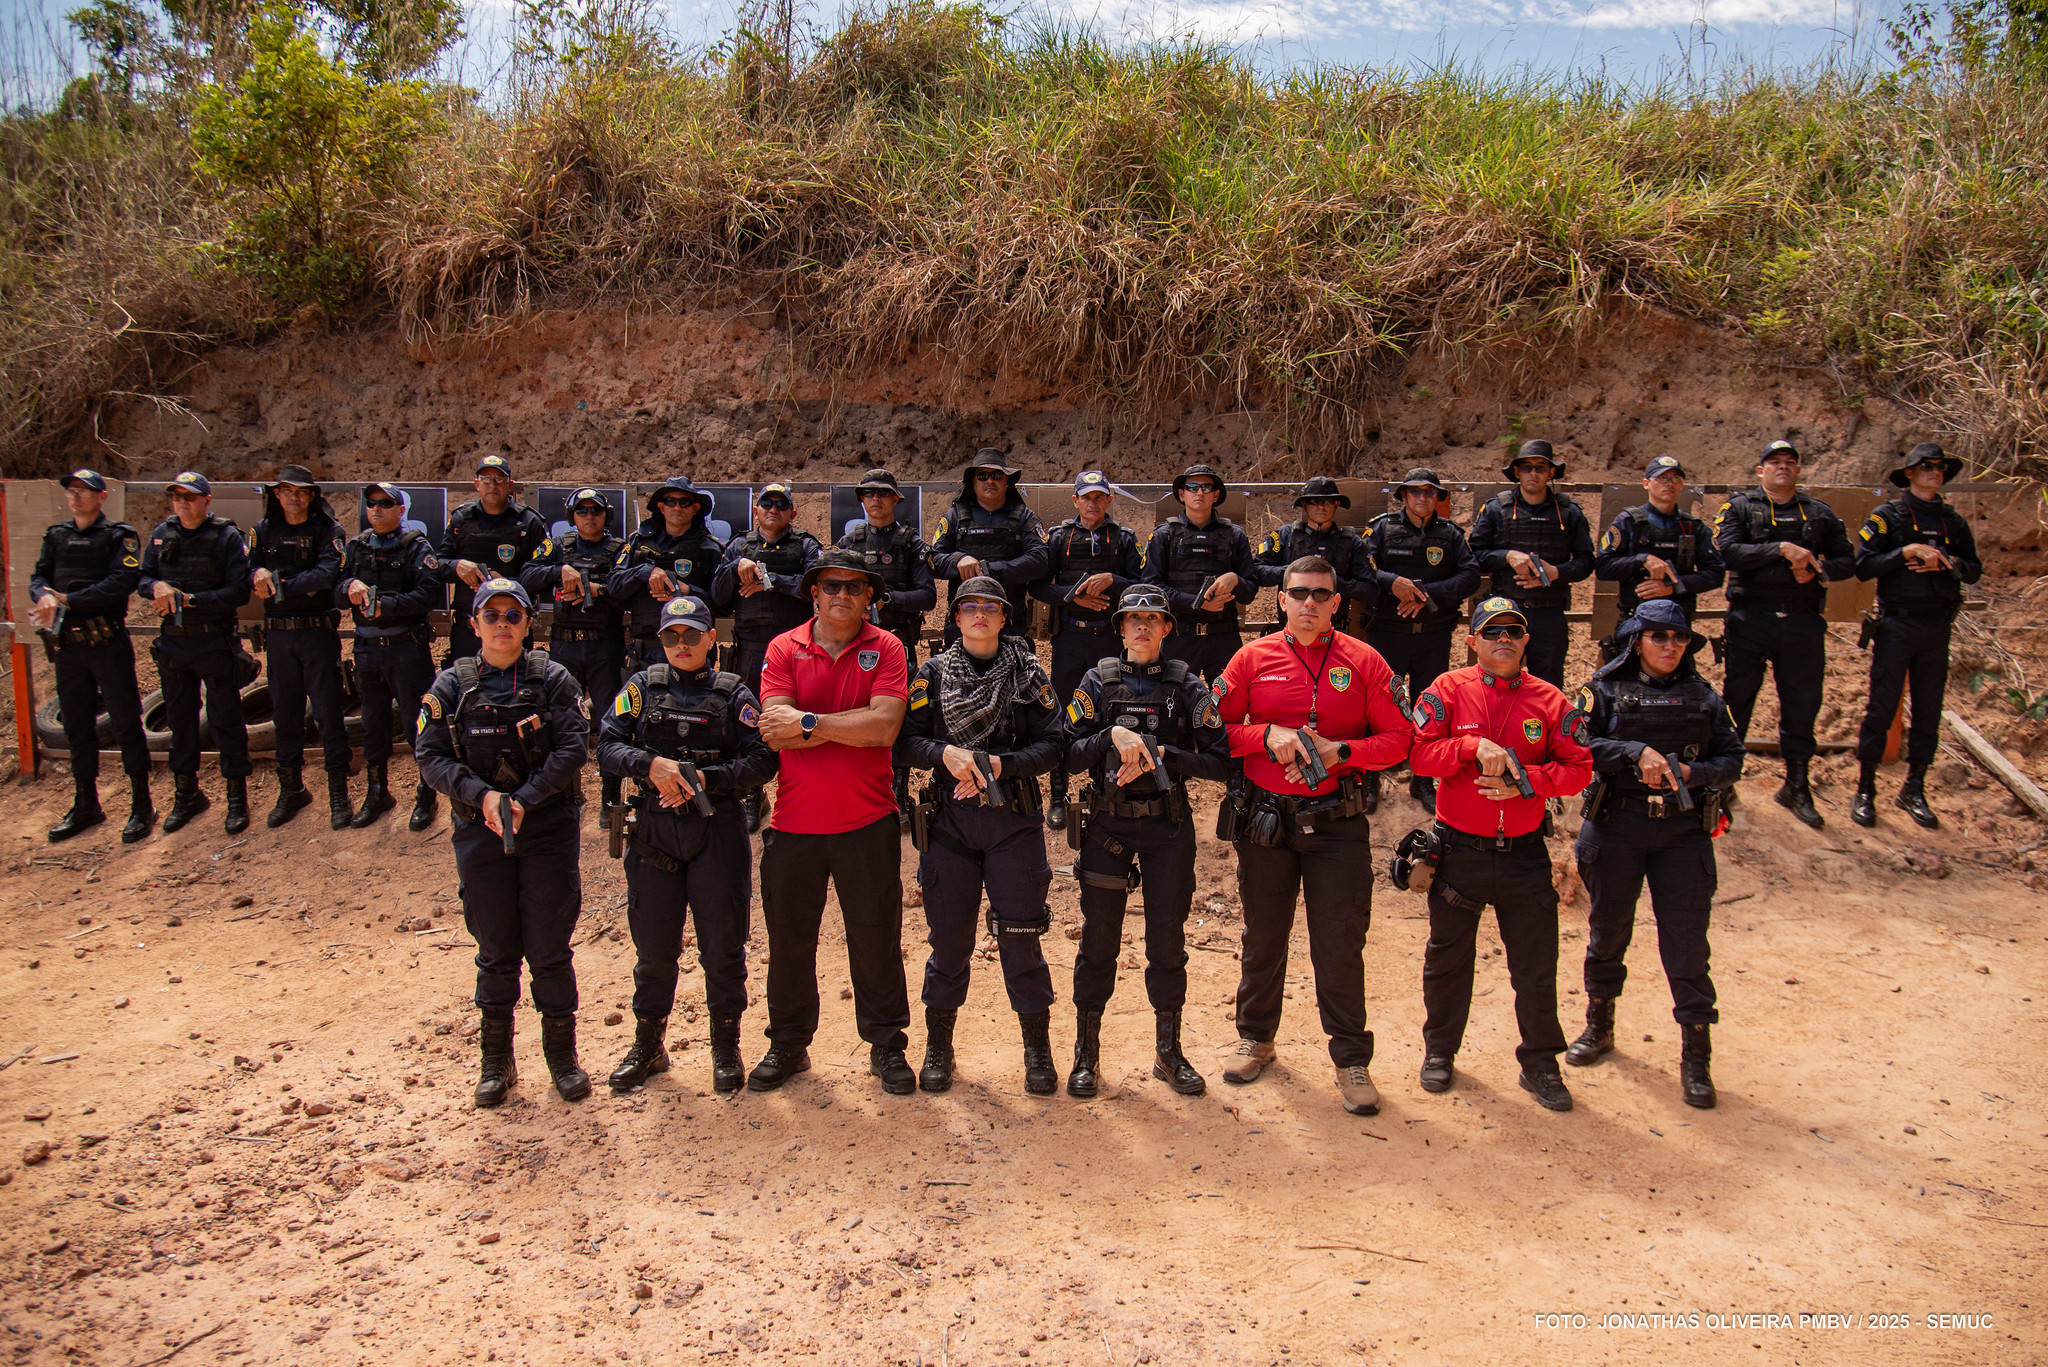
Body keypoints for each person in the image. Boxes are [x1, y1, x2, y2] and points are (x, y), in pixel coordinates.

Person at [1212, 556, 1414, 1115]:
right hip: (1266, 824)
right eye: (1298, 593)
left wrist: (1343, 751)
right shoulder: (1252, 658)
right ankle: (1256, 1037)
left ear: (1336, 603)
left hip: (1336, 824)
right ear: (1280, 600)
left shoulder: (1364, 660)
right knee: (1264, 936)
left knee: (1341, 943)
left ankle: (1351, 1060)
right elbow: (1214, 732)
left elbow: (1402, 739)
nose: (1309, 604)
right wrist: (1266, 734)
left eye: (1321, 595)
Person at [1408, 598, 1594, 1112]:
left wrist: (1528, 783)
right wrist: (1469, 749)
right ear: (1472, 642)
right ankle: (1440, 1052)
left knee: (1535, 966)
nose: (1503, 639)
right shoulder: (1447, 691)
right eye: (1491, 632)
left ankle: (1540, 1065)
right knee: (1447, 960)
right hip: (1459, 851)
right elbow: (1419, 753)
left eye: (1513, 630)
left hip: (1524, 854)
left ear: (1527, 640)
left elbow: (1579, 767)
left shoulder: (1551, 701)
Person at [415, 578, 593, 1106]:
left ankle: (563, 1059)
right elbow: (430, 756)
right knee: (495, 950)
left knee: (549, 948)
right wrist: (486, 798)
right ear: (473, 625)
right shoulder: (450, 685)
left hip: (545, 828)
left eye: (512, 616)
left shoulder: (553, 678)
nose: (501, 625)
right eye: (490, 616)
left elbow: (573, 746)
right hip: (481, 830)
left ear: (527, 624)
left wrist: (525, 798)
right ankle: (497, 1064)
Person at [1567, 599, 1746, 1110]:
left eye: (1680, 638)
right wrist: (1632, 753)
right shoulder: (1600, 691)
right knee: (1607, 932)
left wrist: (1694, 774)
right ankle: (1599, 1028)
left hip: (1682, 832)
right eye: (1659, 637)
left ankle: (1696, 1059)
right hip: (1616, 825)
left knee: (1687, 946)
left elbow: (1733, 758)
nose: (1671, 647)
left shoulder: (1705, 697)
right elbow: (1577, 743)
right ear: (1636, 641)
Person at [748, 547, 913, 1095]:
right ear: (813, 593)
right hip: (795, 823)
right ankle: (789, 1043)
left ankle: (887, 1045)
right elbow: (775, 730)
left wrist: (810, 722)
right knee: (791, 939)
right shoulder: (781, 647)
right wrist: (846, 725)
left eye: (854, 586)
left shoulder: (887, 647)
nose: (842, 594)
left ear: (870, 596)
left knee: (875, 937)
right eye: (831, 585)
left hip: (868, 820)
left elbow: (885, 728)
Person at [598, 595, 777, 1095]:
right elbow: (607, 745)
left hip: (714, 829)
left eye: (691, 635)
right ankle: (649, 1044)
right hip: (655, 830)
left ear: (709, 640)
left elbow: (764, 761)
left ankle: (725, 1046)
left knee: (722, 949)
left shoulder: (734, 692)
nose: (681, 645)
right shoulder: (642, 687)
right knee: (654, 950)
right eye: (671, 637)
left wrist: (703, 779)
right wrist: (650, 768)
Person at [1060, 584, 1231, 1098]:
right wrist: (1110, 737)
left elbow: (1222, 761)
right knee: (1098, 941)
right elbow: (1066, 753)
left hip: (1167, 828)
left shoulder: (1187, 685)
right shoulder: (1097, 681)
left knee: (1167, 942)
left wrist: (1164, 755)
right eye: (1132, 619)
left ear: (1166, 629)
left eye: (1152, 619)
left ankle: (1168, 1052)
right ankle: (1086, 1054)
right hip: (1108, 827)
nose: (1142, 626)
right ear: (1119, 629)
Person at [898, 578, 1067, 1095]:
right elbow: (906, 740)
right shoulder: (931, 673)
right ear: (955, 617)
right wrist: (942, 756)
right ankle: (939, 1046)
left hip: (1012, 821)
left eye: (988, 607)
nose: (978, 614)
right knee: (949, 942)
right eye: (967, 606)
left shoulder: (1027, 672)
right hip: (950, 821)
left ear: (1003, 616)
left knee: (1021, 941)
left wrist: (1005, 763)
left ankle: (1037, 1049)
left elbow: (1055, 742)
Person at [1710, 440, 1856, 829]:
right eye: (1775, 462)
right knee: (1737, 701)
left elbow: (1847, 561)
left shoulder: (1819, 513)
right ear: (1760, 470)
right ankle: (1723, 782)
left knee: (1802, 705)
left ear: (1798, 470)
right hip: (1750, 619)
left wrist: (1818, 568)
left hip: (1802, 621)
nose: (1783, 468)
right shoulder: (1740, 508)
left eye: (1790, 463)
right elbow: (1726, 553)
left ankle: (1796, 784)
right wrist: (1781, 549)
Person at [1850, 443, 1983, 830]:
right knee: (1881, 707)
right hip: (1897, 625)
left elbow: (1973, 569)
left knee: (1928, 710)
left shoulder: (1952, 521)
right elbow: (1862, 566)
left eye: (1940, 467)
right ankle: (1865, 789)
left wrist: (1949, 562)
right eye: (1926, 466)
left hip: (1937, 626)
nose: (1934, 472)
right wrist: (1904, 552)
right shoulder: (1887, 516)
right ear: (1909, 472)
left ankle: (1914, 787)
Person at [29, 469, 152, 843]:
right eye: (72, 491)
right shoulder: (57, 535)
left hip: (106, 641)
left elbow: (122, 583)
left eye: (85, 491)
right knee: (77, 726)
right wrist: (44, 595)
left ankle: (141, 804)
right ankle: (86, 803)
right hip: (68, 645)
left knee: (126, 722)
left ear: (102, 496)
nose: (76, 496)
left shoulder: (118, 536)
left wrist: (69, 599)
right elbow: (38, 577)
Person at [138, 471, 254, 835]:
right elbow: (140, 578)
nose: (182, 502)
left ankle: (237, 798)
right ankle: (187, 794)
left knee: (225, 721)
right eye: (176, 497)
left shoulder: (226, 537)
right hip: (174, 642)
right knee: (180, 723)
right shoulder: (162, 534)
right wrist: (155, 585)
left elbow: (239, 591)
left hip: (213, 640)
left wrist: (193, 600)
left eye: (189, 496)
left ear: (206, 500)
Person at [1030, 470, 1143, 831]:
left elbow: (1145, 583)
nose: (1092, 503)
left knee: (1113, 714)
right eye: (1086, 497)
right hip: (1070, 641)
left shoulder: (1123, 538)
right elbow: (1037, 584)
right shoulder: (1059, 537)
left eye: (1099, 497)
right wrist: (1070, 596)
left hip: (1110, 641)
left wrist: (1114, 580)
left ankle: (1108, 789)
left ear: (1109, 500)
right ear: (1075, 501)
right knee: (1062, 716)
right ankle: (1058, 794)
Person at [1363, 467, 1480, 810]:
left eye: (1430, 492)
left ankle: (1423, 780)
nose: (1423, 498)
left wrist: (1426, 594)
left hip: (1433, 634)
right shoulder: (1382, 528)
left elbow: (1470, 575)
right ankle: (1371, 777)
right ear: (1403, 496)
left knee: (1429, 709)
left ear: (1438, 497)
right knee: (1380, 708)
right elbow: (1362, 566)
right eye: (1415, 492)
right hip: (1388, 635)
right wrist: (1392, 582)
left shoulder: (1450, 534)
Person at [712, 482, 822, 833]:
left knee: (801, 723)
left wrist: (768, 580)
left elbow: (813, 586)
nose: (773, 509)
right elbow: (717, 597)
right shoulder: (737, 546)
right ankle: (753, 795)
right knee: (750, 725)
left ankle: (804, 794)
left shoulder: (805, 544)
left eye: (781, 504)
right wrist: (735, 569)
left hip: (797, 651)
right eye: (766, 503)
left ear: (792, 512)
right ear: (756, 510)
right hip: (750, 650)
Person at [248, 465, 352, 829]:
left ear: (311, 495)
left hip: (315, 632)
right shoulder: (263, 530)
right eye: (286, 490)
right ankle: (291, 789)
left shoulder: (327, 530)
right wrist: (255, 574)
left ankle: (338, 792)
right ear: (276, 494)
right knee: (285, 714)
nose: (293, 496)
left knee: (328, 712)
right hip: (278, 635)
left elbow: (326, 576)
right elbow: (248, 567)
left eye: (300, 491)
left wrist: (277, 584)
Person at [337, 482, 443, 830]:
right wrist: (346, 587)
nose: (377, 509)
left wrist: (386, 606)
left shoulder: (415, 547)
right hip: (367, 649)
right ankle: (377, 791)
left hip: (405, 648)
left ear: (401, 510)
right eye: (372, 503)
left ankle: (427, 795)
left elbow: (428, 594)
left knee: (419, 727)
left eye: (386, 503)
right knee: (374, 726)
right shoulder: (356, 547)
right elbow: (335, 589)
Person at [523, 487, 630, 818]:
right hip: (564, 645)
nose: (589, 517)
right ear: (572, 516)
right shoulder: (557, 548)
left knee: (608, 723)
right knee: (560, 720)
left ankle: (610, 796)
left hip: (604, 646)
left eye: (595, 511)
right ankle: (564, 791)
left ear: (605, 515)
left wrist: (597, 590)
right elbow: (527, 576)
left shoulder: (620, 549)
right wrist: (559, 571)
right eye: (582, 512)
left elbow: (628, 588)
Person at [838, 468, 937, 821]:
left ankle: (895, 799)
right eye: (869, 494)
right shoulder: (849, 544)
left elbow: (928, 596)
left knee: (896, 722)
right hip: (854, 647)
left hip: (897, 646)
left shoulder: (910, 543)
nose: (875, 500)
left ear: (896, 499)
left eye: (882, 493)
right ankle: (856, 795)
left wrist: (887, 599)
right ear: (862, 500)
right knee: (852, 717)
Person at [1466, 441, 1596, 687]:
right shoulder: (1496, 509)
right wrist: (1507, 556)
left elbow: (1586, 562)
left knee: (1547, 685)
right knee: (1495, 681)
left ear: (1551, 472)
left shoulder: (1568, 512)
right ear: (1517, 472)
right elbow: (1474, 557)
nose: (1533, 473)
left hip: (1549, 612)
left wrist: (1556, 572)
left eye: (1540, 467)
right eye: (1527, 467)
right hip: (1506, 613)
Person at [1141, 464, 1258, 683]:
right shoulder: (1164, 536)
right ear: (1181, 494)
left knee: (1228, 706)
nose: (1200, 492)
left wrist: (1235, 580)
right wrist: (1197, 603)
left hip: (1223, 637)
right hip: (1180, 637)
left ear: (1216, 495)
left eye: (1206, 487)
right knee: (1175, 708)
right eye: (1193, 487)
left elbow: (1250, 591)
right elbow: (1151, 589)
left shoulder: (1234, 536)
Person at [928, 450, 1050, 645]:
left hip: (1009, 622)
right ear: (973, 483)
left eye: (997, 476)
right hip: (963, 626)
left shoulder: (1024, 517)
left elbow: (1039, 560)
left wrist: (992, 571)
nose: (990, 481)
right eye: (982, 476)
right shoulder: (955, 517)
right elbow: (933, 559)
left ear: (1006, 482)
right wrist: (958, 560)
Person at [438, 454, 550, 662]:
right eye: (486, 479)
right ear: (476, 484)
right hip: (468, 627)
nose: (492, 485)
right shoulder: (461, 519)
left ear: (510, 484)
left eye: (499, 479)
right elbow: (438, 565)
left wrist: (508, 584)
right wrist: (458, 567)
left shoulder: (528, 522)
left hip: (512, 626)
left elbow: (545, 575)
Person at [1595, 455, 1726, 627]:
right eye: (1662, 478)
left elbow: (1716, 574)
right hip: (1636, 619)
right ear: (1646, 483)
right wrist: (1641, 560)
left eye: (1675, 478)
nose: (1669, 483)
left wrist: (1674, 586)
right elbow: (1603, 567)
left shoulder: (1694, 527)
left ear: (1681, 485)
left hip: (1678, 622)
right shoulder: (1628, 521)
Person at [611, 476, 724, 669]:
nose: (677, 508)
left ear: (695, 508)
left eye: (684, 502)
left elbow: (722, 604)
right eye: (671, 502)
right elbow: (613, 587)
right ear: (662, 508)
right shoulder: (638, 543)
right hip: (645, 649)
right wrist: (645, 572)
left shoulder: (710, 548)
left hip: (691, 650)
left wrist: (688, 592)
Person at [1252, 475, 1376, 635]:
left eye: (1327, 501)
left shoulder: (1352, 542)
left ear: (1337, 503)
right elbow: (1256, 570)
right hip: (1290, 632)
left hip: (1334, 631)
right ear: (1304, 504)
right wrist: (1292, 573)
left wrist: (1332, 582)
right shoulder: (1285, 535)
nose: (1321, 507)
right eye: (1314, 501)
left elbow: (1370, 589)